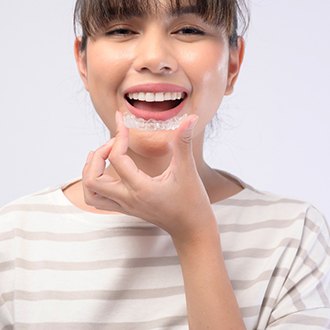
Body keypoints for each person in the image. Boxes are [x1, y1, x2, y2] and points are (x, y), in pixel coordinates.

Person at [0, 0, 329, 329]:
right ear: (83, 63)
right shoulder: (14, 237)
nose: (155, 59)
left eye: (188, 30)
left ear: (232, 65)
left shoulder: (294, 234)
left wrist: (195, 235)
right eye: (121, 30)